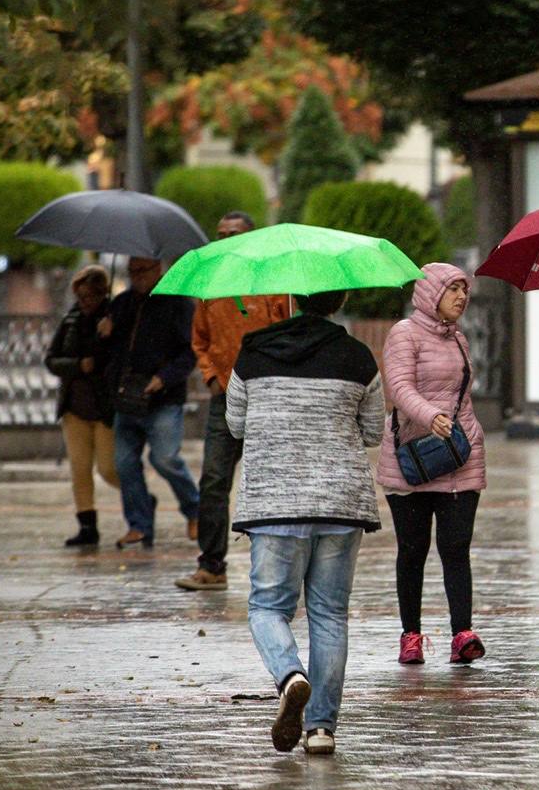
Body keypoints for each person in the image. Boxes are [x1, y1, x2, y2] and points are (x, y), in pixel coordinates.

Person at [228, 289, 384, 756]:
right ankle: (321, 730)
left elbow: (236, 424)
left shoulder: (253, 351)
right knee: (330, 615)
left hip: (274, 502)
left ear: (293, 298)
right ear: (341, 300)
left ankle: (290, 676)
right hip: (340, 503)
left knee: (267, 608)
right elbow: (374, 430)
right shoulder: (357, 356)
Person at [376, 263, 488, 666]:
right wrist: (429, 416)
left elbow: (462, 394)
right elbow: (399, 386)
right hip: (414, 456)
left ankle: (463, 634)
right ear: (429, 293)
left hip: (459, 455)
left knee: (456, 547)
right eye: (452, 289)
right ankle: (411, 635)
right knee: (412, 549)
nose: (461, 296)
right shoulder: (404, 333)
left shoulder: (458, 337)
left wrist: (469, 434)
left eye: (464, 289)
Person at [176, 212, 290, 591]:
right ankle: (211, 564)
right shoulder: (210, 287)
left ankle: (280, 566)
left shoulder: (273, 285)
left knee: (270, 485)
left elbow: (286, 334)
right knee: (213, 480)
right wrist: (210, 376)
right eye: (220, 234)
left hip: (267, 399)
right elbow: (200, 340)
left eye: (234, 234)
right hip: (224, 397)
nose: (225, 240)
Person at [96, 256, 199, 549]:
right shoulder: (122, 303)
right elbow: (110, 350)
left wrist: (164, 378)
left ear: (158, 268)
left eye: (142, 270)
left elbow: (189, 353)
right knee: (125, 464)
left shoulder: (177, 304)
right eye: (132, 271)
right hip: (126, 396)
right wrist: (104, 332)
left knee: (164, 458)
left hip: (163, 397)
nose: (136, 276)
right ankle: (139, 524)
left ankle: (195, 509)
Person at [45, 265, 119, 546]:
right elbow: (52, 360)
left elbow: (116, 360)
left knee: (108, 468)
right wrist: (77, 365)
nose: (85, 301)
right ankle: (87, 525)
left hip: (103, 407)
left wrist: (107, 335)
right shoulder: (70, 320)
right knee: (80, 469)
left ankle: (138, 497)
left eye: (91, 296)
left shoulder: (113, 319)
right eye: (81, 295)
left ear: (102, 294)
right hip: (74, 407)